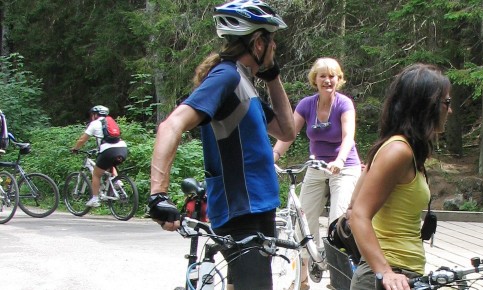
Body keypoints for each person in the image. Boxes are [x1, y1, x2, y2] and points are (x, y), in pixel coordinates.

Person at [145, 1, 296, 289]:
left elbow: (286, 130)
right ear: (258, 43)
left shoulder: (243, 83)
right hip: (240, 210)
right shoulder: (227, 76)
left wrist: (273, 76)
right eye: (271, 40)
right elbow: (171, 125)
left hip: (258, 207)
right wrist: (157, 195)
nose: (275, 47)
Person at [347, 64, 452, 290]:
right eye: (447, 102)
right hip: (389, 276)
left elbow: (353, 205)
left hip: (400, 274)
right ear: (428, 105)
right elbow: (358, 214)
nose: (449, 110)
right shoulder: (398, 151)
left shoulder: (399, 148)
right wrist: (385, 271)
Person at [271, 57, 361, 288]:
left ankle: (340, 279)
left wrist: (340, 160)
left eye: (332, 76)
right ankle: (303, 277)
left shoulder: (344, 104)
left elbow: (348, 137)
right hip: (317, 166)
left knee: (338, 222)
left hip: (344, 166)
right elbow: (288, 133)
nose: (327, 80)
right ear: (315, 79)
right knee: (304, 218)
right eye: (323, 76)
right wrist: (273, 156)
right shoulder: (306, 105)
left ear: (339, 79)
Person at [70, 105, 128, 208]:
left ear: (95, 115)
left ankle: (95, 199)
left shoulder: (95, 123)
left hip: (108, 150)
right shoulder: (111, 122)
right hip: (122, 148)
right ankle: (117, 182)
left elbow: (82, 139)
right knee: (111, 164)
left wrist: (75, 148)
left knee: (96, 174)